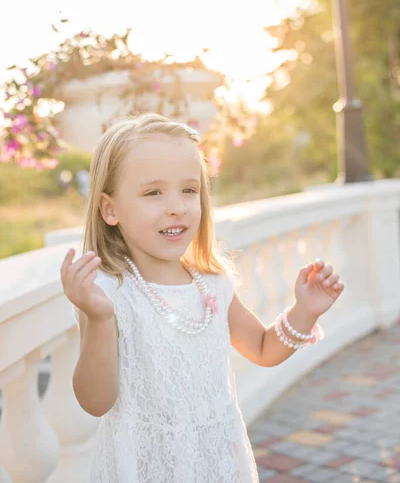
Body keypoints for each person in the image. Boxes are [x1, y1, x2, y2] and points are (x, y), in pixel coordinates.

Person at [60, 113, 344, 483]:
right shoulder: (109, 293)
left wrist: (304, 311)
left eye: (189, 190)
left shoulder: (214, 284)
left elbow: (262, 348)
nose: (176, 205)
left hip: (218, 463)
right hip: (146, 469)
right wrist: (97, 318)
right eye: (153, 192)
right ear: (109, 208)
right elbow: (95, 401)